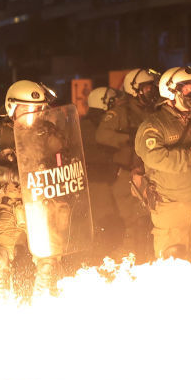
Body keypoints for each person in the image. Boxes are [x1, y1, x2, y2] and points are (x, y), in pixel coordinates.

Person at [0, 81, 62, 301]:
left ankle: (43, 304)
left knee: (48, 260)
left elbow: (66, 160)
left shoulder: (48, 132)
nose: (33, 113)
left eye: (37, 109)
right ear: (12, 107)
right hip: (7, 203)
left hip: (40, 201)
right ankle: (2, 306)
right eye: (27, 108)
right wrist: (11, 174)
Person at [134, 66, 191, 259]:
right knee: (174, 260)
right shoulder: (154, 124)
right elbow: (153, 156)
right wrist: (190, 157)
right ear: (171, 92)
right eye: (187, 89)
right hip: (170, 204)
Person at [95, 68, 160, 262]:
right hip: (126, 175)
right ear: (134, 89)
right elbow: (102, 135)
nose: (151, 91)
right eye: (147, 87)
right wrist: (128, 139)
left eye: (152, 87)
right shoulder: (121, 112)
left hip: (151, 174)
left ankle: (145, 260)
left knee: (149, 222)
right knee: (133, 222)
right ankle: (128, 263)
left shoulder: (154, 112)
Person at [80, 87, 122, 259]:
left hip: (104, 182)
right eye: (113, 102)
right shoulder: (87, 127)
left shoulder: (95, 124)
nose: (117, 106)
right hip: (95, 183)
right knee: (103, 224)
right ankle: (97, 261)